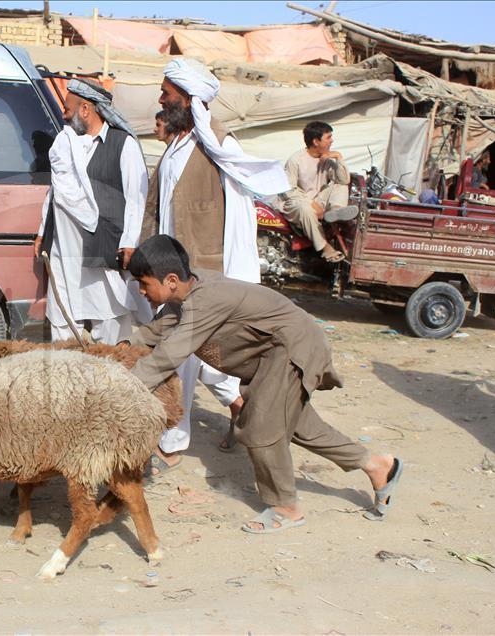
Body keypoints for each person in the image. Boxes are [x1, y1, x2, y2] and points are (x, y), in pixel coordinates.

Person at [127, 235, 403, 532]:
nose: (141, 290)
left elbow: (170, 354)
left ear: (170, 280)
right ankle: (378, 465)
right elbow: (159, 328)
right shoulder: (185, 293)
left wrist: (122, 386)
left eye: (144, 283)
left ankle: (286, 507)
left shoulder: (206, 299)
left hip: (291, 350)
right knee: (303, 428)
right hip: (272, 357)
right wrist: (120, 349)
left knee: (260, 428)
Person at [140, 58, 289, 473]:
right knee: (201, 359)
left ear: (188, 98)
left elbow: (240, 216)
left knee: (181, 357)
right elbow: (158, 206)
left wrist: (235, 279)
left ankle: (172, 442)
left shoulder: (220, 143)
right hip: (171, 273)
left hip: (204, 275)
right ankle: (239, 407)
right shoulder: (176, 144)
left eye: (166, 93)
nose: (160, 99)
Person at [33, 79, 147, 344]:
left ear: (85, 109)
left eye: (67, 109)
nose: (63, 115)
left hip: (101, 246)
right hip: (63, 250)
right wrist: (41, 232)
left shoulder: (122, 144)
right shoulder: (64, 143)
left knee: (109, 319)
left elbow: (136, 197)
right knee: (63, 319)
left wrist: (130, 242)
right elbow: (56, 191)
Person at [282, 121, 360, 263]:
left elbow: (344, 180)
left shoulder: (327, 159)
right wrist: (311, 204)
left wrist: (339, 157)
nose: (332, 141)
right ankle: (325, 248)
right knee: (305, 209)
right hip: (297, 203)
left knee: (340, 184)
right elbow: (288, 189)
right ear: (316, 141)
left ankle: (336, 211)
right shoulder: (295, 160)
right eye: (328, 137)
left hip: (318, 200)